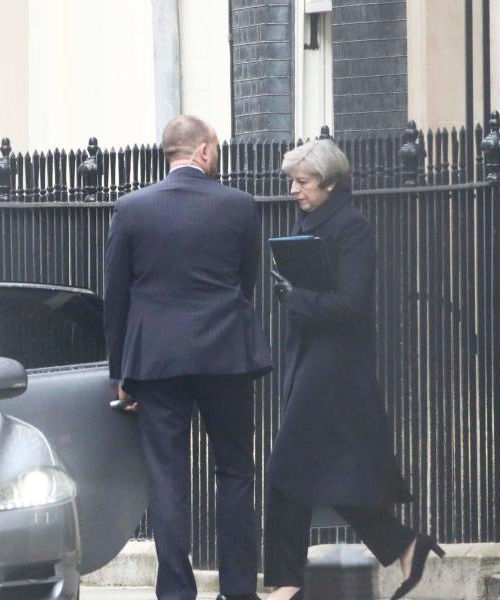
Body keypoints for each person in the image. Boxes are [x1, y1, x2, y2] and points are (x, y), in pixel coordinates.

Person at [264, 139, 443, 600]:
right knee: (320, 469)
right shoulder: (307, 221)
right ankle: (405, 545)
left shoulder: (352, 227)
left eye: (301, 182)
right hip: (310, 358)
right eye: (292, 181)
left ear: (329, 182)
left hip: (336, 368)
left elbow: (351, 304)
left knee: (288, 466)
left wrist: (293, 296)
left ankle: (287, 583)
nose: (293, 190)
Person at [103, 115, 273, 600]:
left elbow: (116, 297)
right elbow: (246, 281)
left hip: (157, 362)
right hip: (225, 355)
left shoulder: (132, 208)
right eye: (216, 148)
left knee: (166, 476)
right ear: (202, 151)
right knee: (236, 471)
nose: (217, 156)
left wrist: (122, 373)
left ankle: (177, 590)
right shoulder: (239, 206)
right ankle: (238, 590)